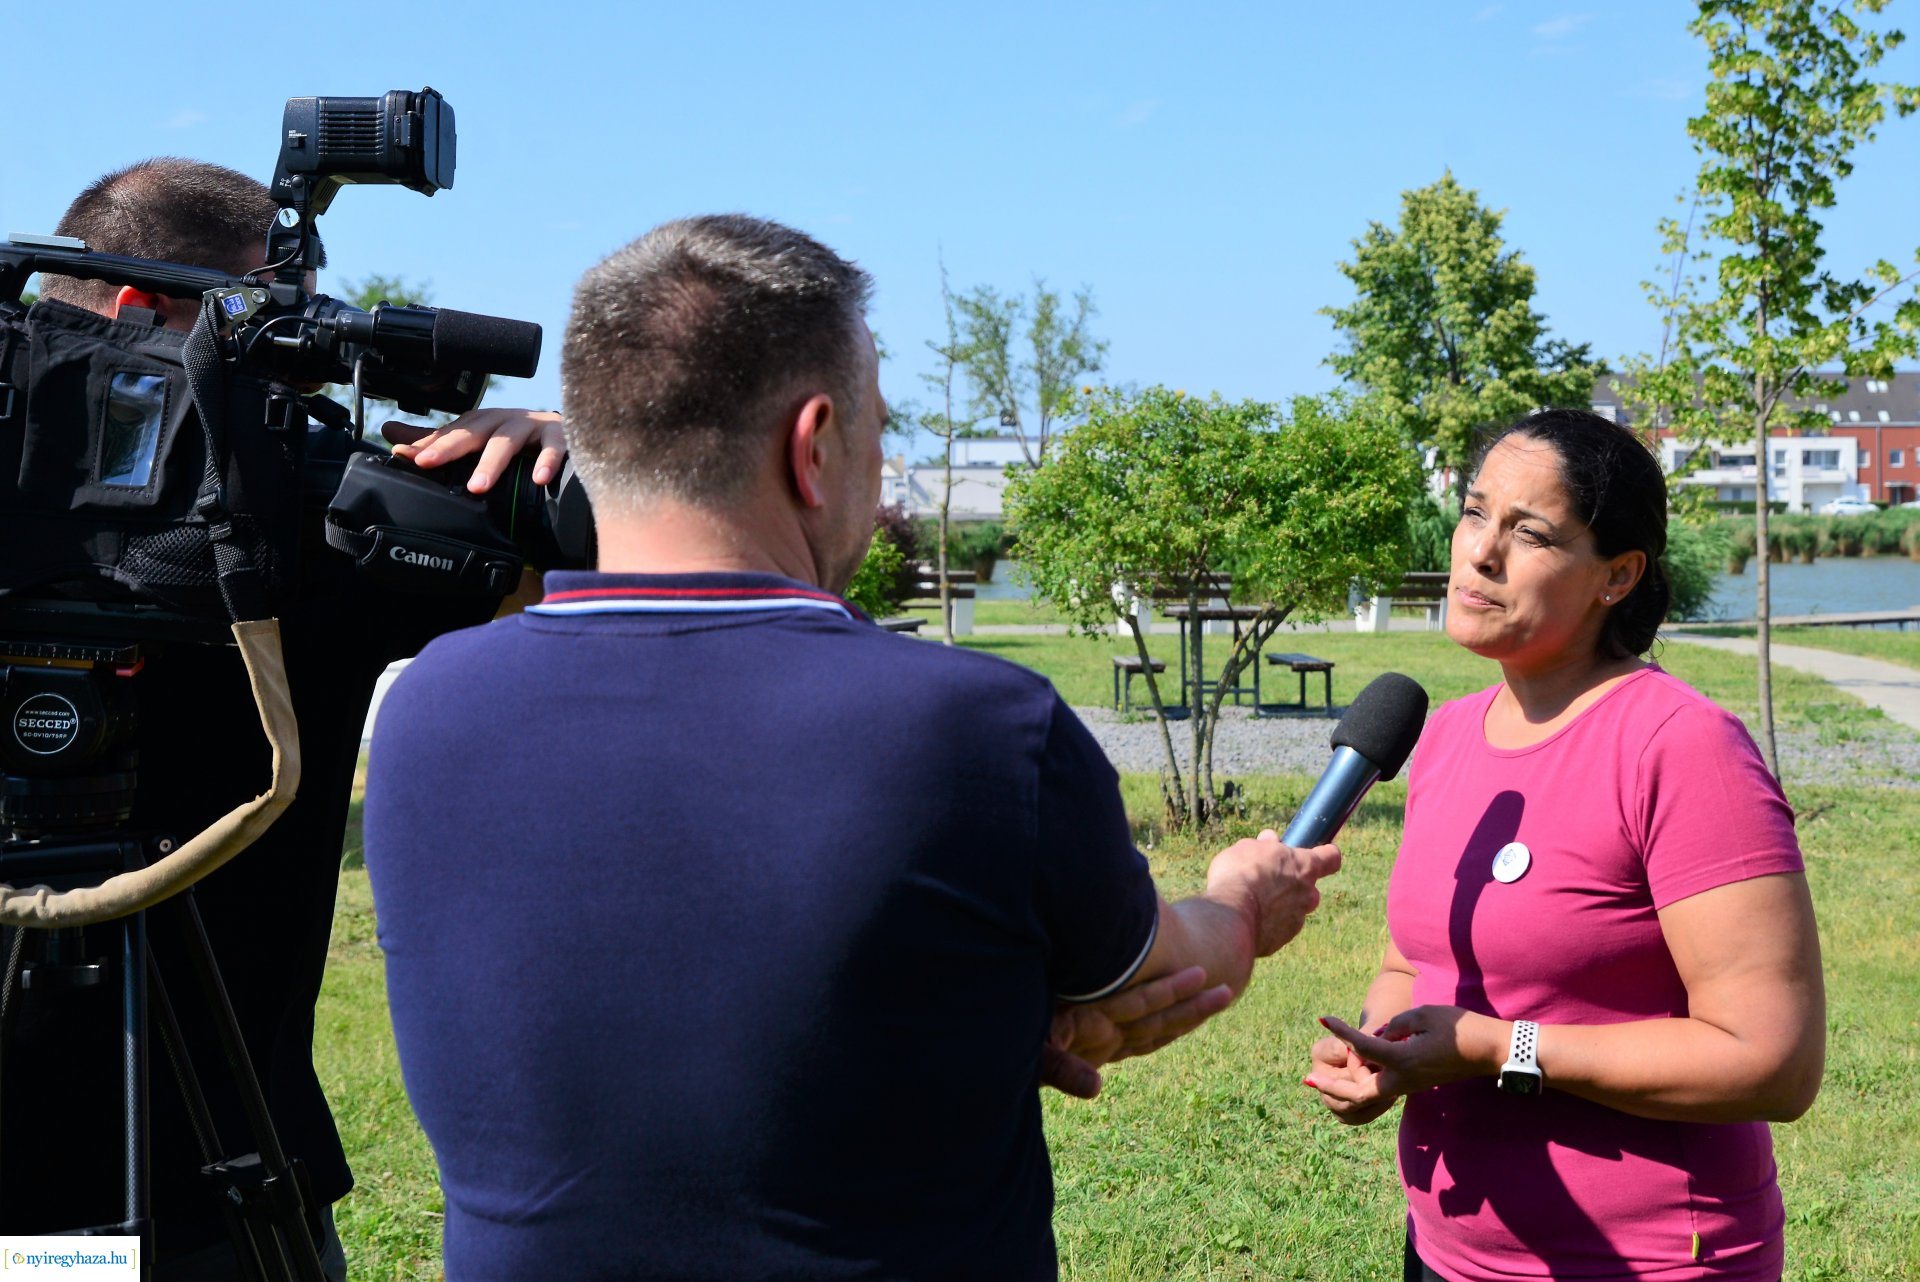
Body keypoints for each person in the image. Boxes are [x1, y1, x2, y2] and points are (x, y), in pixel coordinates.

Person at [362, 214, 1342, 1281]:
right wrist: (1249, 898)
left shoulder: (427, 710)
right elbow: (1157, 975)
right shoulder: (975, 727)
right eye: (880, 426)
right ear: (815, 443)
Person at [2, 157, 563, 1280]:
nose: (297, 379)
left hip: (228, 1169)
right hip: (223, 1179)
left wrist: (527, 456)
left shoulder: (293, 512)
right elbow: (604, 560)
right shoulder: (294, 523)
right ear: (140, 314)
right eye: (274, 329)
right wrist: (559, 471)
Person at [1304, 409, 1825, 1282]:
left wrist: (1499, 1048)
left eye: (1530, 532)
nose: (1479, 552)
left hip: (1647, 1260)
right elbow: (1413, 959)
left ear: (1617, 576)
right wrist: (1383, 1055)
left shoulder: (1681, 748)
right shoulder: (1447, 737)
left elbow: (1772, 1061)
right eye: (1474, 513)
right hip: (1451, 1251)